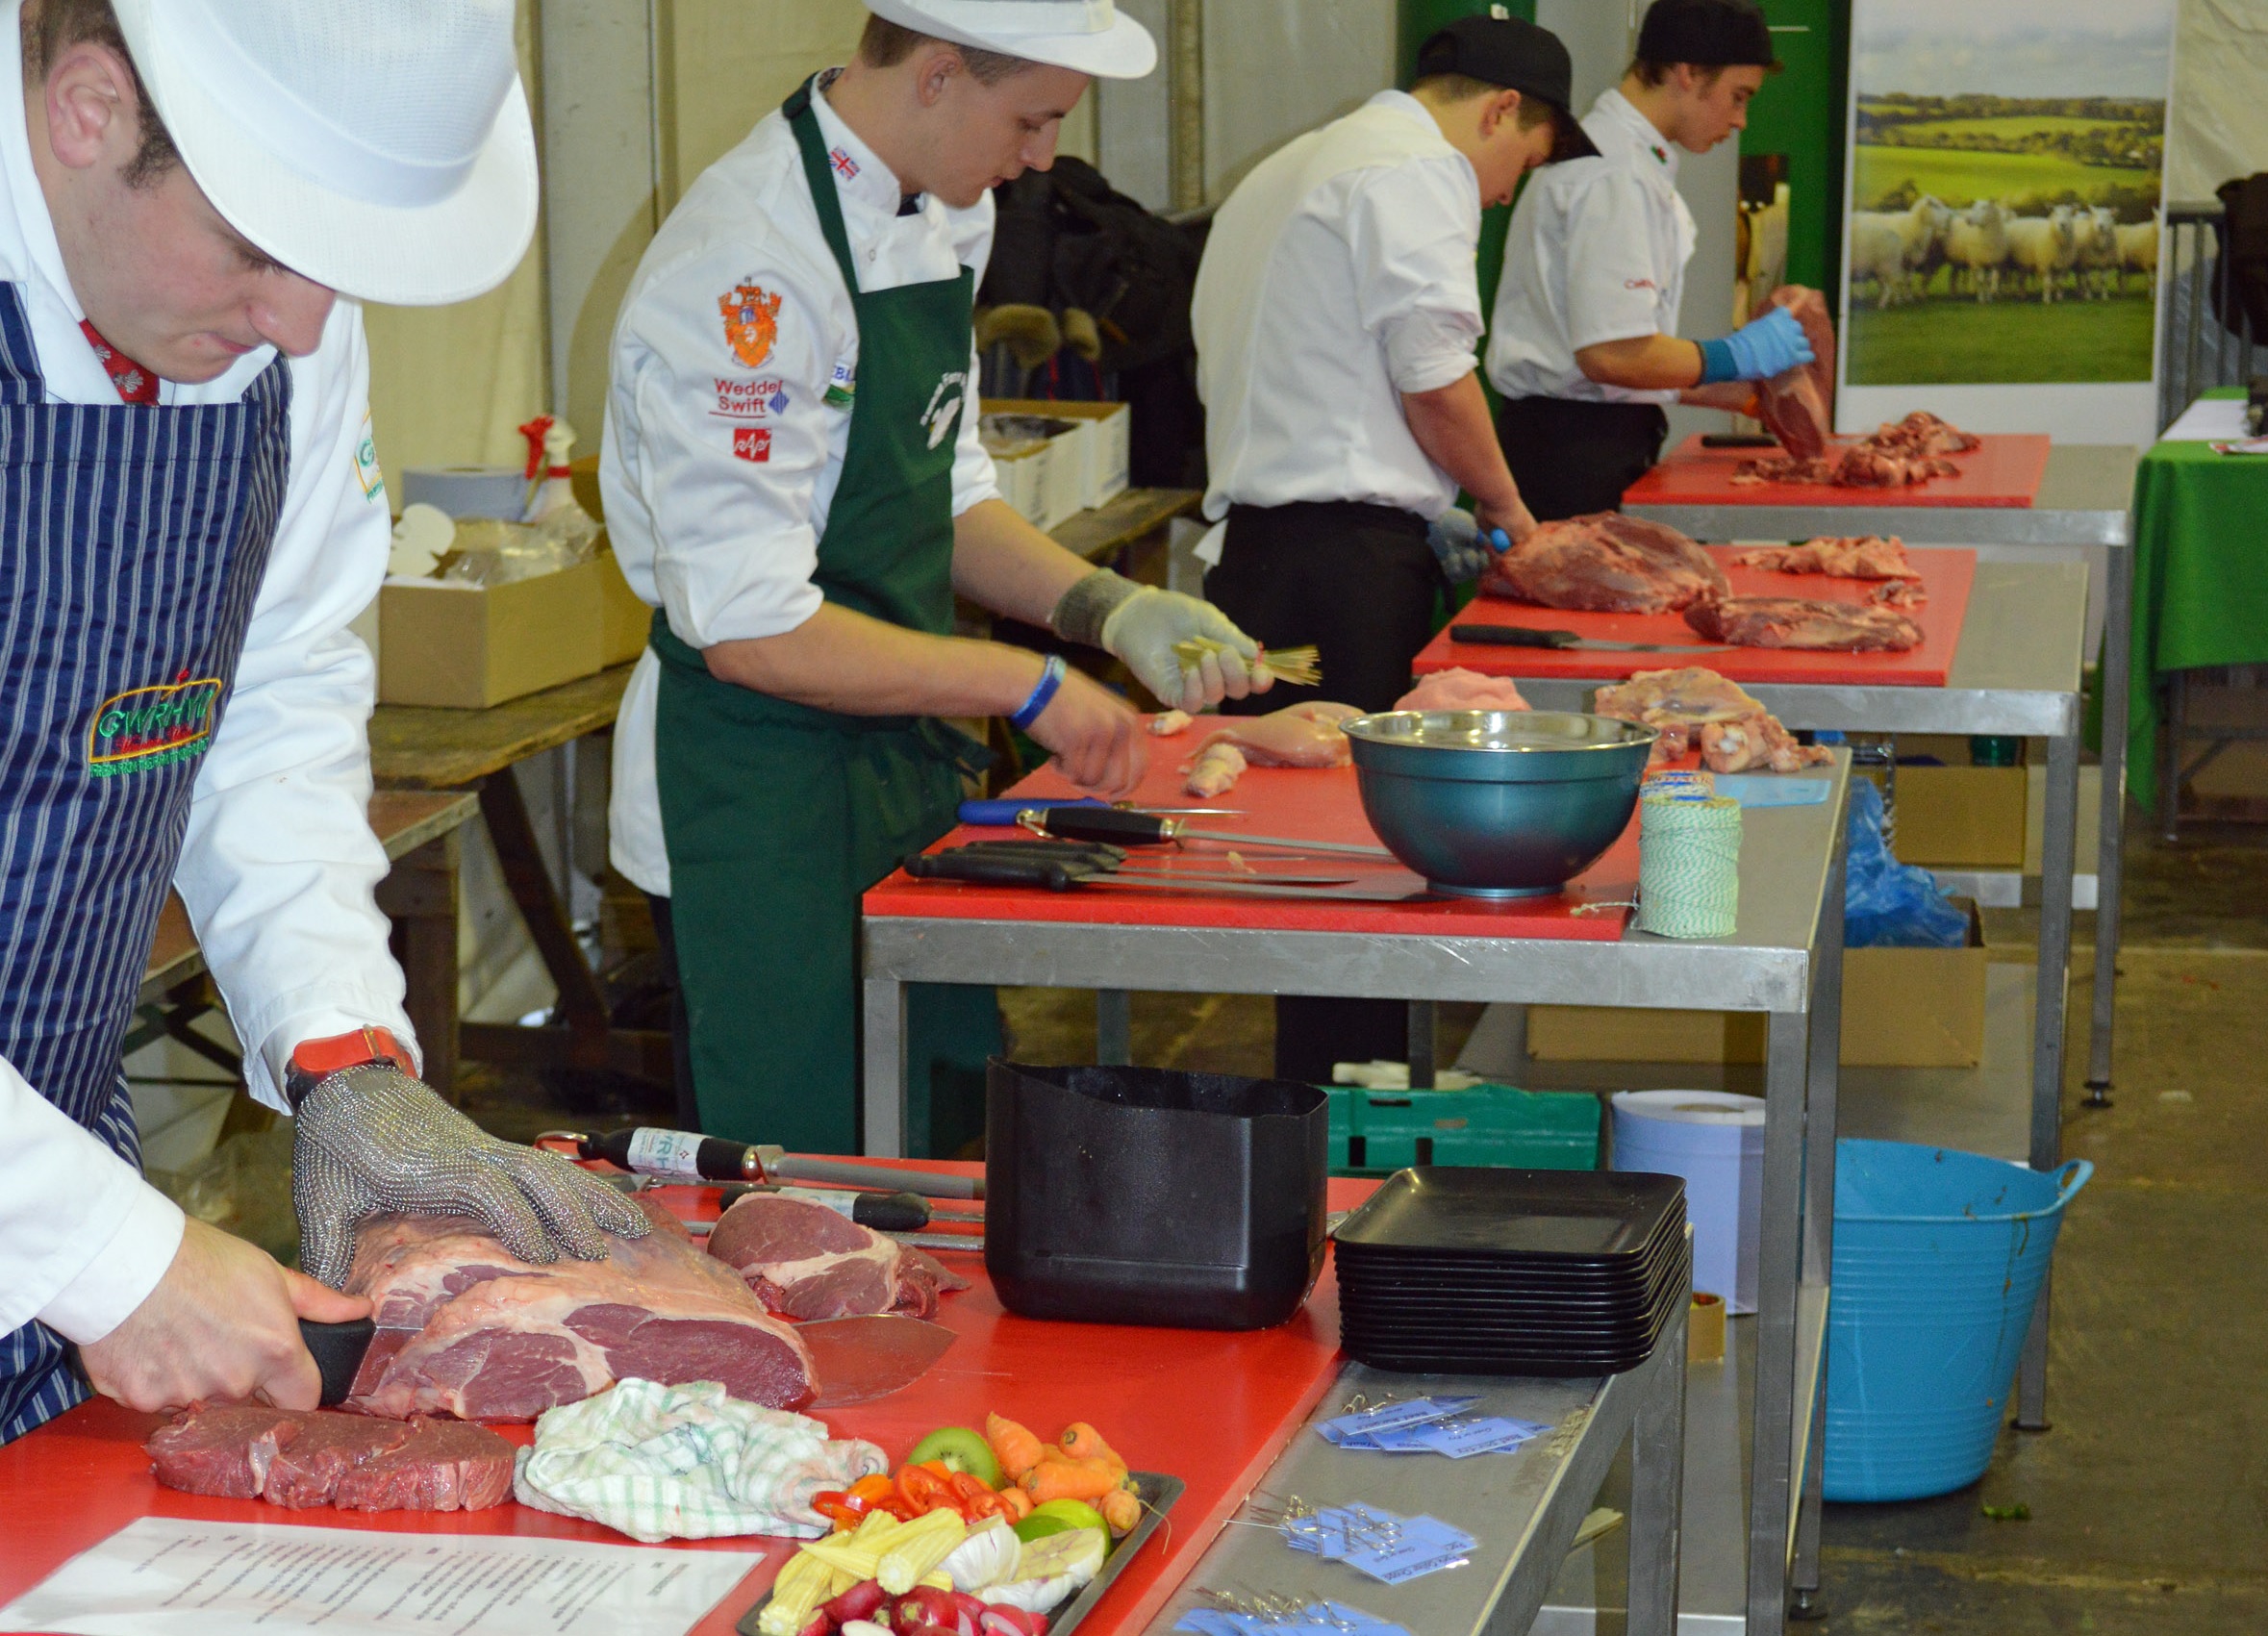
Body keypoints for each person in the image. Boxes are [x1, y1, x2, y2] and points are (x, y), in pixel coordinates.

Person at [0, 0, 649, 1444]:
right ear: (86, 111)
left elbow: (270, 682)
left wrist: (337, 1049)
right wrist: (115, 1255)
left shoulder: (272, 310)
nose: (301, 326)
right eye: (265, 253)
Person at [602, 0, 1269, 1158]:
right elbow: (753, 630)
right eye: (1034, 118)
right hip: (759, 792)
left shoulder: (939, 215)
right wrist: (1026, 684)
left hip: (899, 756)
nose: (1045, 155)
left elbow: (943, 489)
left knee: (943, 1147)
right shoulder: (751, 265)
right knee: (805, 1183)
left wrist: (1105, 608)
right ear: (938, 76)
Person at [1188, 14, 1583, 1084]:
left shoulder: (1300, 164)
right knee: (1359, 873)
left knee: (1298, 864)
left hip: (1265, 556)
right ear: (1498, 110)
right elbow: (1433, 374)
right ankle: (1353, 1141)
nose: (1504, 193)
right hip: (1341, 567)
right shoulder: (1417, 172)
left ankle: (1315, 1119)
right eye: (1522, 163)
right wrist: (1508, 512)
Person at [1488, 0, 1816, 521]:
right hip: (1572, 457)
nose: (1740, 120)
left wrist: (1743, 395)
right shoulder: (1614, 173)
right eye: (1738, 96)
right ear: (1687, 73)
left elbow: (1613, 359)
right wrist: (1734, 355)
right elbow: (1612, 356)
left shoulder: (1631, 161)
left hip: (1585, 439)